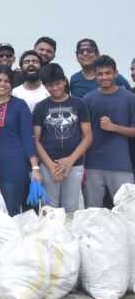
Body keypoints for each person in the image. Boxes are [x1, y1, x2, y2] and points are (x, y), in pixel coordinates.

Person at [0, 64, 45, 215]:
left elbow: (28, 136)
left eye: (7, 81)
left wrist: (35, 167)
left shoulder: (19, 105)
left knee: (11, 210)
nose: (2, 84)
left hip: (14, 166)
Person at [32, 63, 92, 215]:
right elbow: (36, 139)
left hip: (74, 164)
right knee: (49, 206)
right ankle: (51, 238)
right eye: (50, 85)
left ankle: (68, 238)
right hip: (48, 165)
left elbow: (88, 136)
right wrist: (51, 166)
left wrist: (70, 161)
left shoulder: (79, 104)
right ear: (45, 86)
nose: (55, 88)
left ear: (64, 81)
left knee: (71, 207)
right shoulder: (40, 107)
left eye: (58, 83)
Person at [83, 55, 135, 207]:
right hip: (93, 165)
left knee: (127, 213)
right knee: (92, 214)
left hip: (121, 164)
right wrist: (83, 165)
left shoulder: (130, 98)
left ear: (116, 73)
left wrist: (114, 127)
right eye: (100, 74)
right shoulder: (88, 99)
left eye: (108, 73)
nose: (104, 77)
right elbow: (84, 135)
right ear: (95, 76)